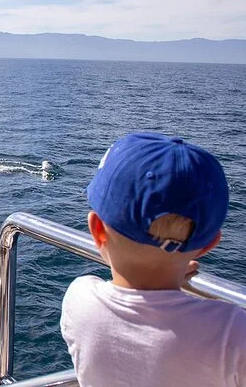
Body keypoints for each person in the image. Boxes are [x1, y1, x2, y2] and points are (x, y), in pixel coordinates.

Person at [60, 132, 246, 386]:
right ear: (208, 245)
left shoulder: (79, 299)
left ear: (97, 230)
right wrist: (174, 280)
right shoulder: (232, 332)